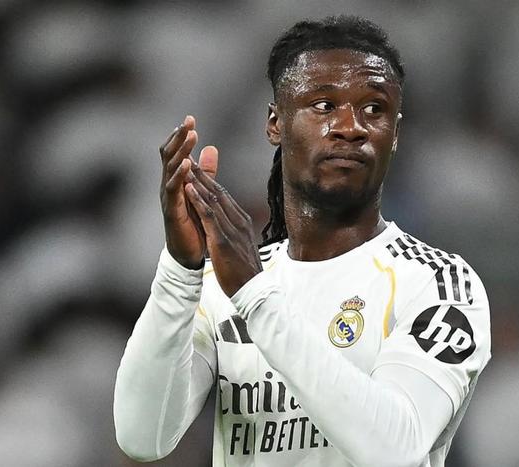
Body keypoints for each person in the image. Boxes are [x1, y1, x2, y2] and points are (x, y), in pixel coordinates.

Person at [114, 15, 491, 467]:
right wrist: (180, 271)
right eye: (324, 105)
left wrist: (256, 296)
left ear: (395, 134)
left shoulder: (438, 284)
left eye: (374, 109)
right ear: (276, 123)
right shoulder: (224, 284)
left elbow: (396, 449)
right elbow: (142, 435)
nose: (351, 126)